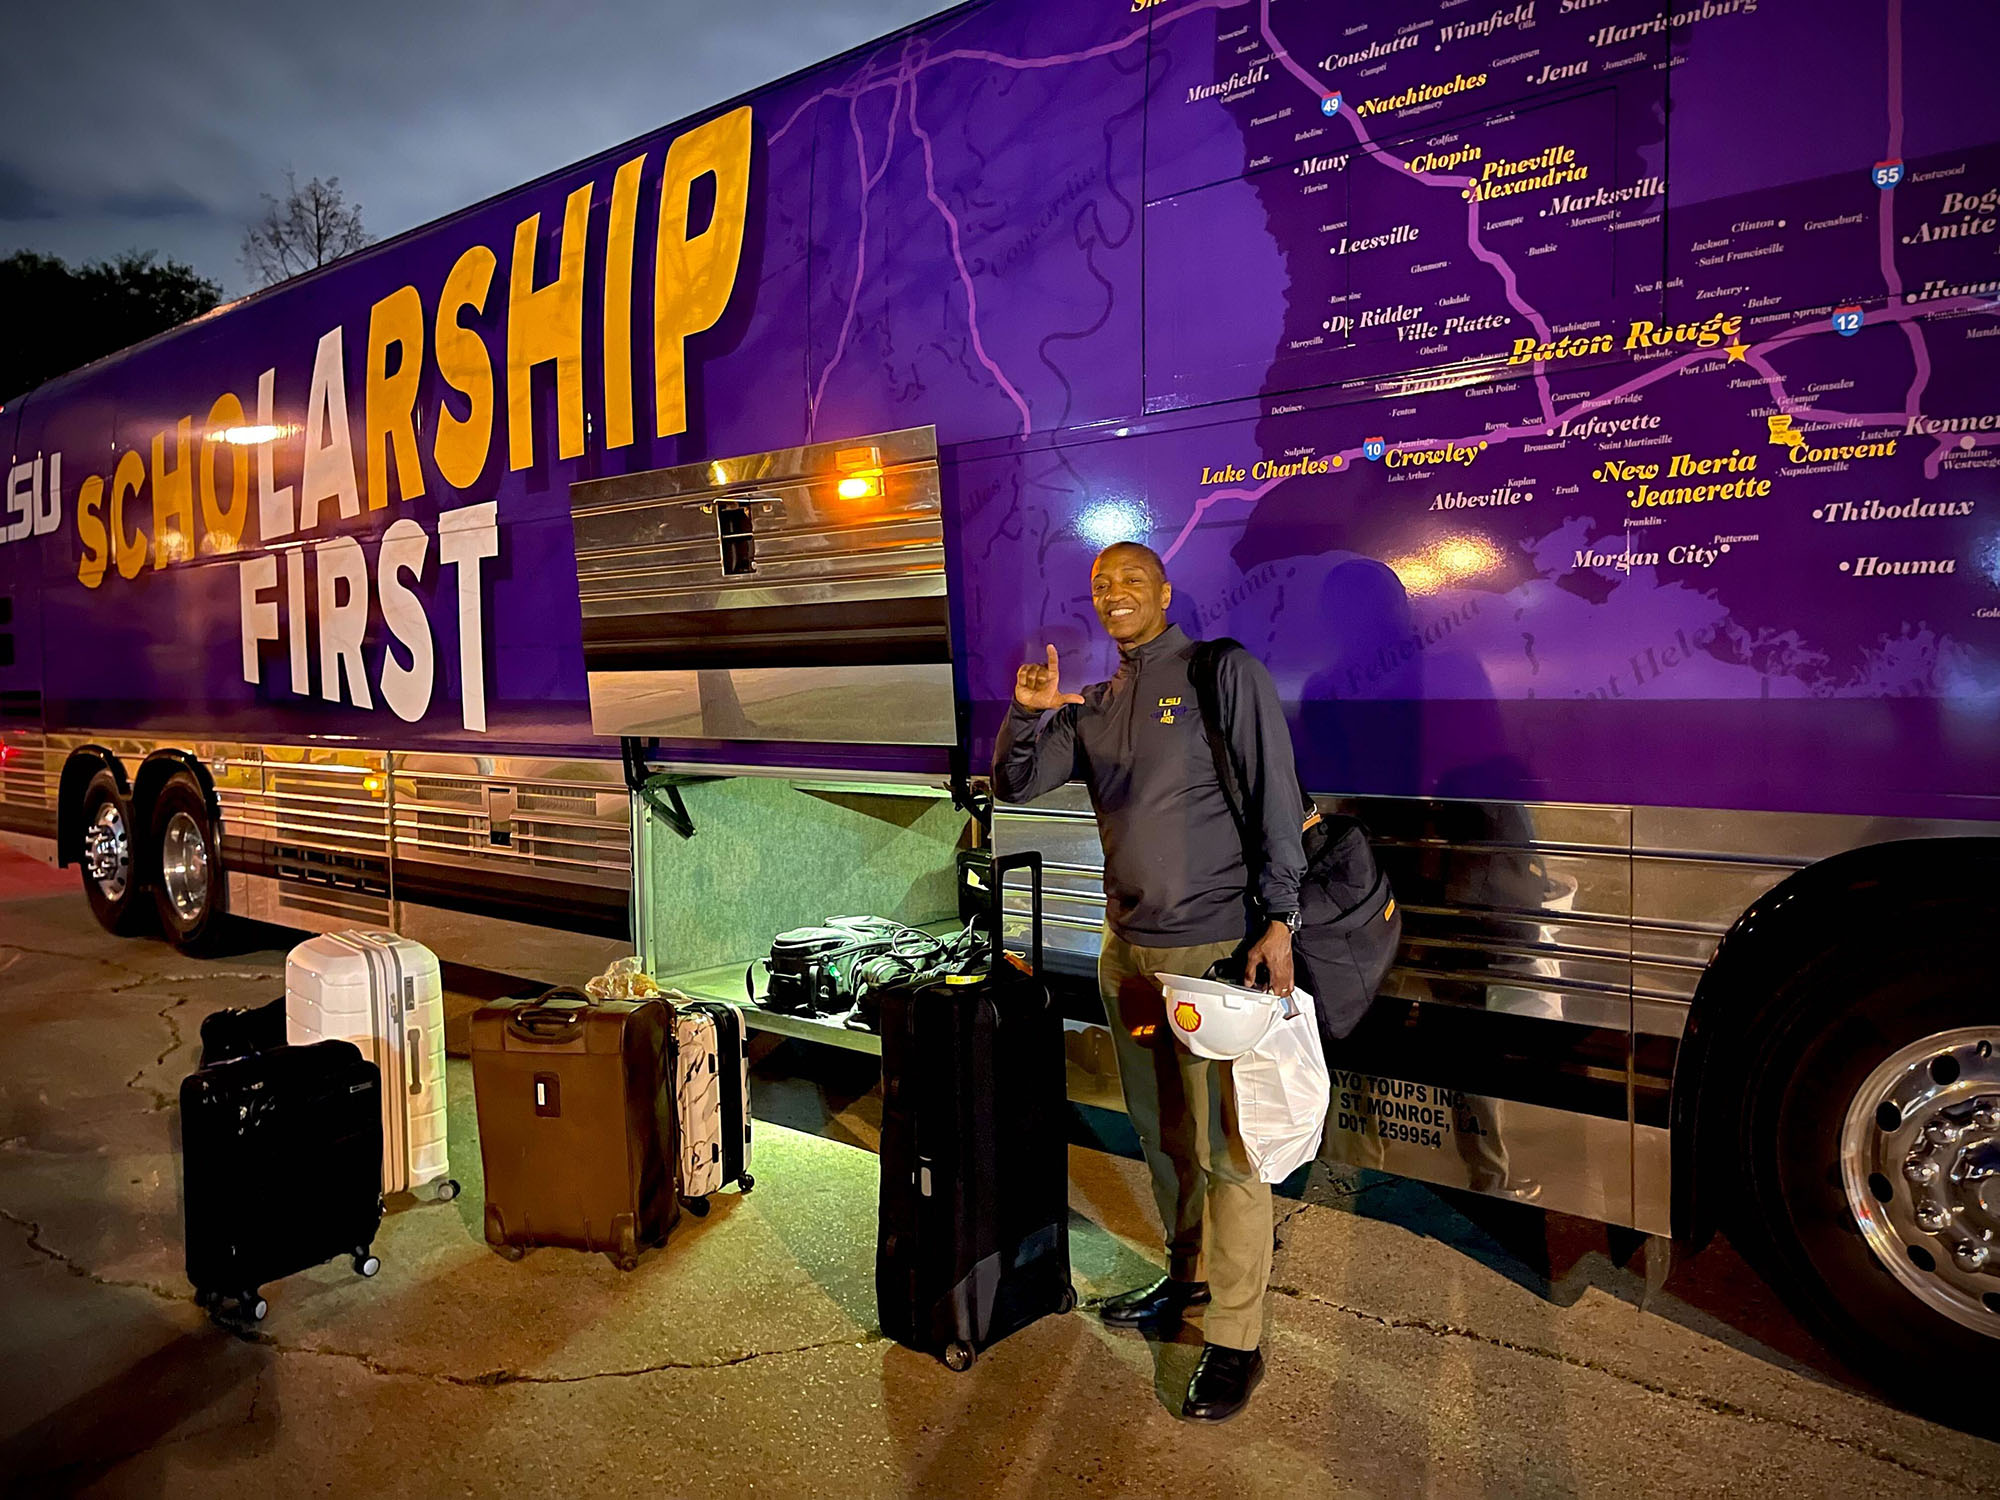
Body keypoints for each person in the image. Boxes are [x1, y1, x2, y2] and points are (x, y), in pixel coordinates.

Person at [991, 541, 1307, 1423]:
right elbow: (1015, 781)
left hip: (1207, 958)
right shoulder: (1096, 703)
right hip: (1126, 958)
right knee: (1164, 1135)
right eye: (1102, 585)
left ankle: (1237, 1340)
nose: (1115, 594)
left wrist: (1281, 919)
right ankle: (1191, 1283)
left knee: (1229, 1152)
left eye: (1132, 580)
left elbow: (1277, 792)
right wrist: (1024, 714)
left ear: (1165, 592)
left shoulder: (1218, 672)